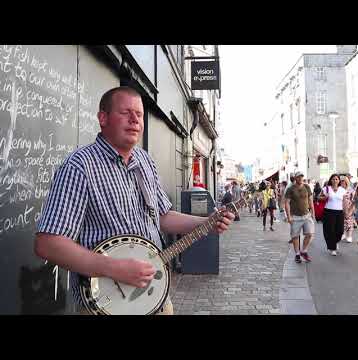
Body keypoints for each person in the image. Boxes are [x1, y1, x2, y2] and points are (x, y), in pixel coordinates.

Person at [33, 86, 235, 315]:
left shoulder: (144, 160)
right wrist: (114, 268)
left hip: (157, 299)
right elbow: (48, 244)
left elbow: (161, 216)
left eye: (139, 114)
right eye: (125, 113)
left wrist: (205, 223)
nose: (134, 120)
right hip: (107, 306)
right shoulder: (79, 167)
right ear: (103, 118)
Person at [284, 171, 315, 263]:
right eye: (298, 177)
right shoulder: (291, 189)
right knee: (295, 236)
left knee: (309, 233)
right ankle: (297, 254)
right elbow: (287, 203)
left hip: (306, 215)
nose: (300, 178)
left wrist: (313, 213)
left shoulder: (307, 187)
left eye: (301, 177)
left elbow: (310, 200)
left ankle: (304, 251)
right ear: (295, 178)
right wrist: (289, 216)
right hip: (295, 217)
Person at [319, 174, 346, 256]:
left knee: (340, 231)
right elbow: (318, 198)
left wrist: (346, 211)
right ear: (331, 180)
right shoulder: (326, 189)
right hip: (329, 211)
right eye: (333, 179)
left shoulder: (342, 190)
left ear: (339, 181)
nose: (335, 181)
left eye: (336, 179)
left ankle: (335, 242)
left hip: (339, 212)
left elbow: (344, 202)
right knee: (330, 230)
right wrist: (324, 197)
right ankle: (332, 248)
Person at [340, 176, 354, 243]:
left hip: (349, 207)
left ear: (347, 182)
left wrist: (352, 208)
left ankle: (349, 236)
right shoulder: (339, 189)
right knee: (342, 221)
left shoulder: (350, 190)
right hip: (340, 207)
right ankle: (344, 234)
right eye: (341, 181)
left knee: (349, 221)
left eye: (344, 181)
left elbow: (353, 200)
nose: (342, 183)